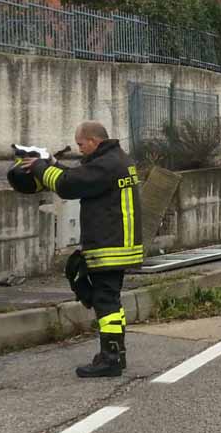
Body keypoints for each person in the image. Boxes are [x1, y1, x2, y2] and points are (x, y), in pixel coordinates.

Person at [20, 122, 141, 378]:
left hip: (109, 246)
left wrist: (40, 167)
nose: (79, 149)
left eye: (80, 144)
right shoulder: (117, 160)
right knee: (111, 301)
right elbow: (78, 177)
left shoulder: (106, 165)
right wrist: (51, 164)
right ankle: (116, 354)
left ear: (94, 141)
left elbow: (68, 185)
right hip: (120, 244)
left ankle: (110, 359)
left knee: (104, 301)